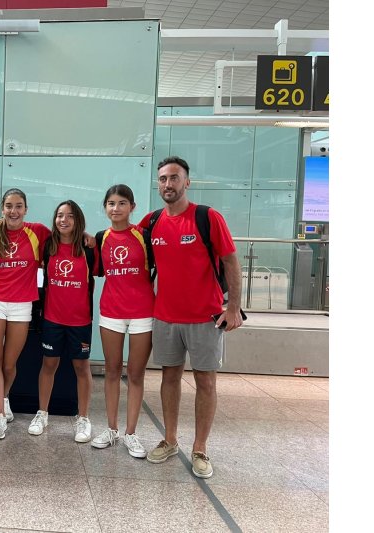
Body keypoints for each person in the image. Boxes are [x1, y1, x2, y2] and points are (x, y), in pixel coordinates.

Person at [139, 156, 243, 479]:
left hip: (205, 318)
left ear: (187, 182)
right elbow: (125, 242)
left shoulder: (207, 217)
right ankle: (170, 440)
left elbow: (231, 263)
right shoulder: (151, 222)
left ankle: (200, 448)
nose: (167, 184)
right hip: (166, 317)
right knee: (169, 378)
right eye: (162, 179)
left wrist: (234, 307)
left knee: (205, 382)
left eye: (174, 178)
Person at [0, 188, 51, 439]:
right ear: (2, 208)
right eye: (9, 206)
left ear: (26, 209)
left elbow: (65, 238)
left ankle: (4, 397)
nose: (13, 211)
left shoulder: (38, 232)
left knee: (10, 364)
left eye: (18, 206)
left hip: (22, 305)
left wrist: (85, 235)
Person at [90, 184, 155, 458]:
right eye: (111, 204)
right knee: (112, 370)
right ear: (105, 207)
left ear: (132, 207)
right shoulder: (100, 237)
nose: (116, 209)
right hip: (111, 313)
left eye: (122, 203)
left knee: (136, 374)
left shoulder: (144, 236)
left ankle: (131, 433)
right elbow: (97, 270)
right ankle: (112, 429)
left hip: (142, 312)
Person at [28, 200, 96, 443]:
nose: (63, 220)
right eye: (59, 215)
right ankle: (42, 413)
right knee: (48, 364)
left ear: (78, 220)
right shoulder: (48, 246)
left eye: (69, 216)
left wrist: (88, 237)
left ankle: (84, 418)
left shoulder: (89, 249)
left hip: (80, 321)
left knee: (81, 368)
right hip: (52, 319)